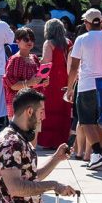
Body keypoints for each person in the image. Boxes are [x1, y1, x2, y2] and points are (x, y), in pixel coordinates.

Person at [0, 88, 76, 203]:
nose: (43, 117)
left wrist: (56, 158)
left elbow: (30, 178)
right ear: (30, 111)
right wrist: (53, 185)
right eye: (41, 112)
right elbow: (16, 187)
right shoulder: (10, 143)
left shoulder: (20, 139)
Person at [65, 8, 102, 169]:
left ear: (87, 23)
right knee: (100, 123)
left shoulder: (82, 39)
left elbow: (74, 67)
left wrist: (69, 88)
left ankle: (96, 153)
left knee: (86, 122)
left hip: (87, 84)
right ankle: (96, 154)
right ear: (100, 21)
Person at [37, 19, 72, 149]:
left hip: (52, 81)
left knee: (50, 109)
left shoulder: (49, 43)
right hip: (66, 79)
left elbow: (46, 63)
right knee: (64, 109)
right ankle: (62, 139)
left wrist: (39, 79)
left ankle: (49, 141)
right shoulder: (68, 42)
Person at [2, 28, 44, 118]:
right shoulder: (14, 59)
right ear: (17, 41)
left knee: (35, 131)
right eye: (26, 39)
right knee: (19, 131)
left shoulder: (34, 58)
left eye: (32, 39)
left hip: (34, 102)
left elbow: (37, 80)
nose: (30, 41)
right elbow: (11, 84)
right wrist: (29, 83)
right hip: (19, 104)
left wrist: (43, 82)